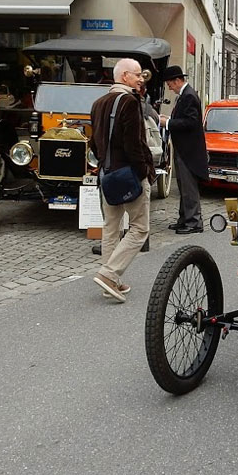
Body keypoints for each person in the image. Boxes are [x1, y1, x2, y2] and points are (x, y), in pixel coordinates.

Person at [90, 58, 155, 302]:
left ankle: (110, 280)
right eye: (138, 75)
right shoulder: (129, 101)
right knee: (140, 228)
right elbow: (134, 144)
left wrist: (105, 164)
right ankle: (109, 274)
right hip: (128, 173)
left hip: (107, 174)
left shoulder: (98, 103)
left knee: (111, 227)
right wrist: (143, 172)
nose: (141, 79)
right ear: (125, 76)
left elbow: (94, 144)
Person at [159, 65, 208, 234]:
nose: (169, 87)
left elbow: (191, 122)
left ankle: (194, 222)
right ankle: (184, 218)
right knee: (182, 186)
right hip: (184, 148)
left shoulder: (188, 96)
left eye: (170, 84)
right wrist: (170, 119)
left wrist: (168, 123)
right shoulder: (184, 96)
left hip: (189, 150)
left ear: (178, 81)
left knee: (189, 187)